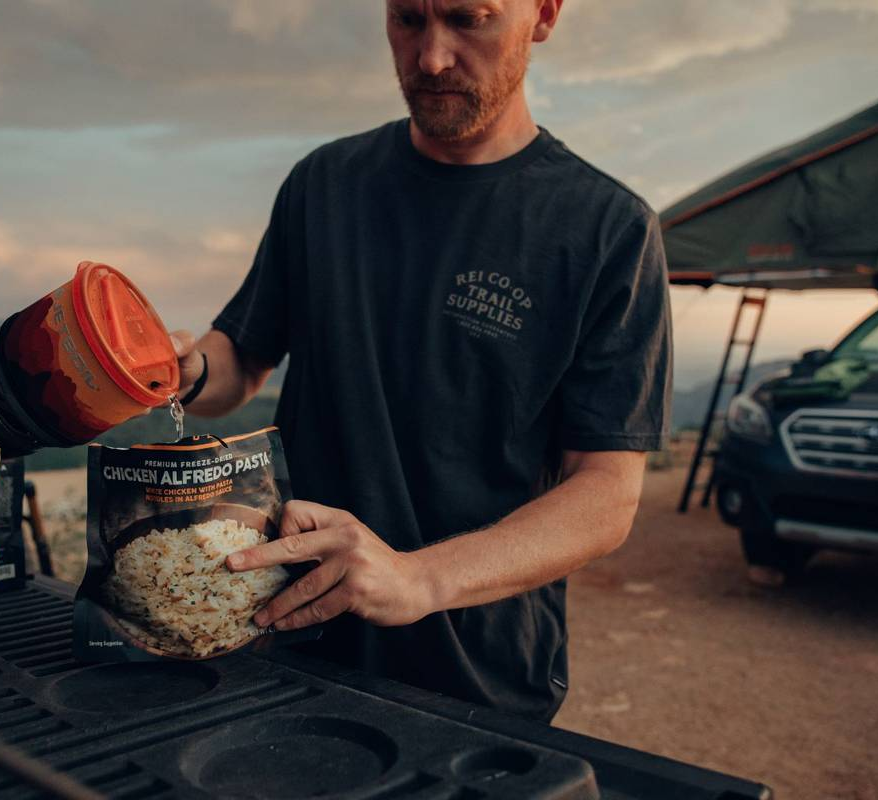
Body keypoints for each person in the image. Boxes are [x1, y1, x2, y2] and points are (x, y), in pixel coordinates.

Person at [169, 0, 671, 722]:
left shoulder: (607, 229)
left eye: (469, 18)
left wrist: (416, 578)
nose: (431, 56)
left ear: (545, 14)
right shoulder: (324, 184)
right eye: (409, 18)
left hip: (477, 673)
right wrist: (185, 372)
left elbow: (607, 496)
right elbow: (241, 360)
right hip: (288, 640)